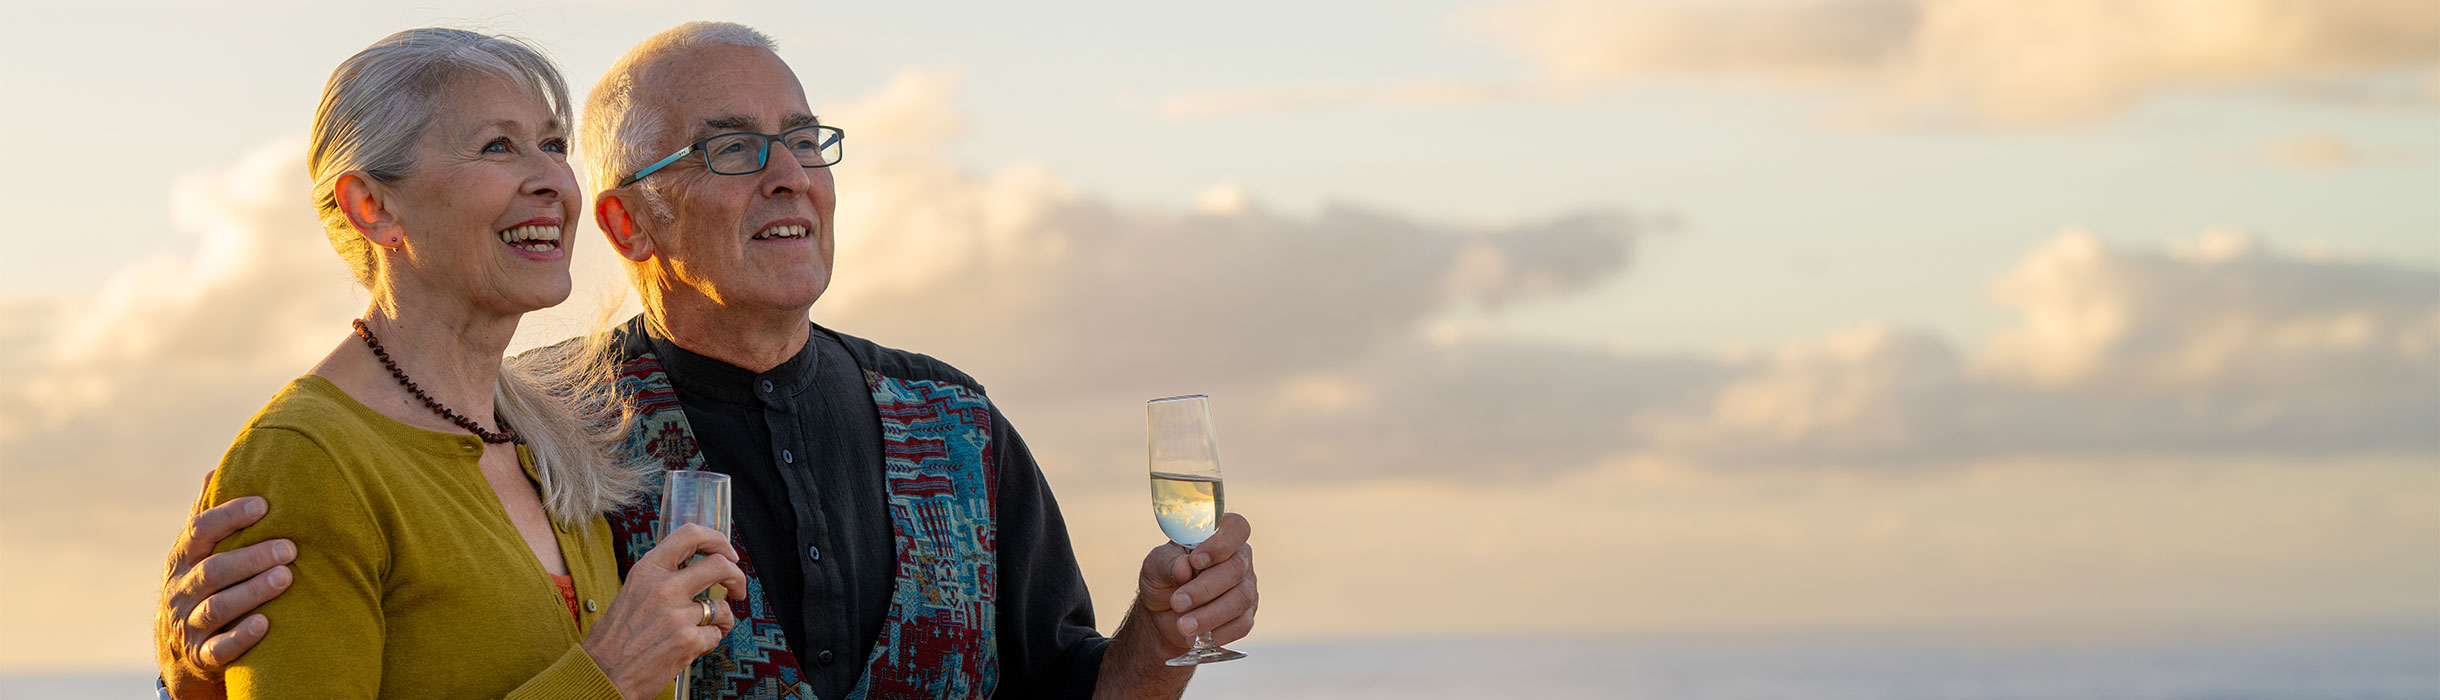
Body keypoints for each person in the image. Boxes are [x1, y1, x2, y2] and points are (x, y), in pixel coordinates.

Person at [158, 21, 1260, 700]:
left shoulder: (953, 421)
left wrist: (1161, 644)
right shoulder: (553, 426)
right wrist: (202, 671)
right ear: (630, 226)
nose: (790, 174)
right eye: (733, 147)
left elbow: (1068, 685)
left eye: (805, 138)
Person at [157, 27, 752, 699]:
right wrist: (607, 677)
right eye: (498, 146)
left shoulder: (552, 435)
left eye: (554, 146)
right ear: (372, 206)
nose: (553, 180)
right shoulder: (307, 460)